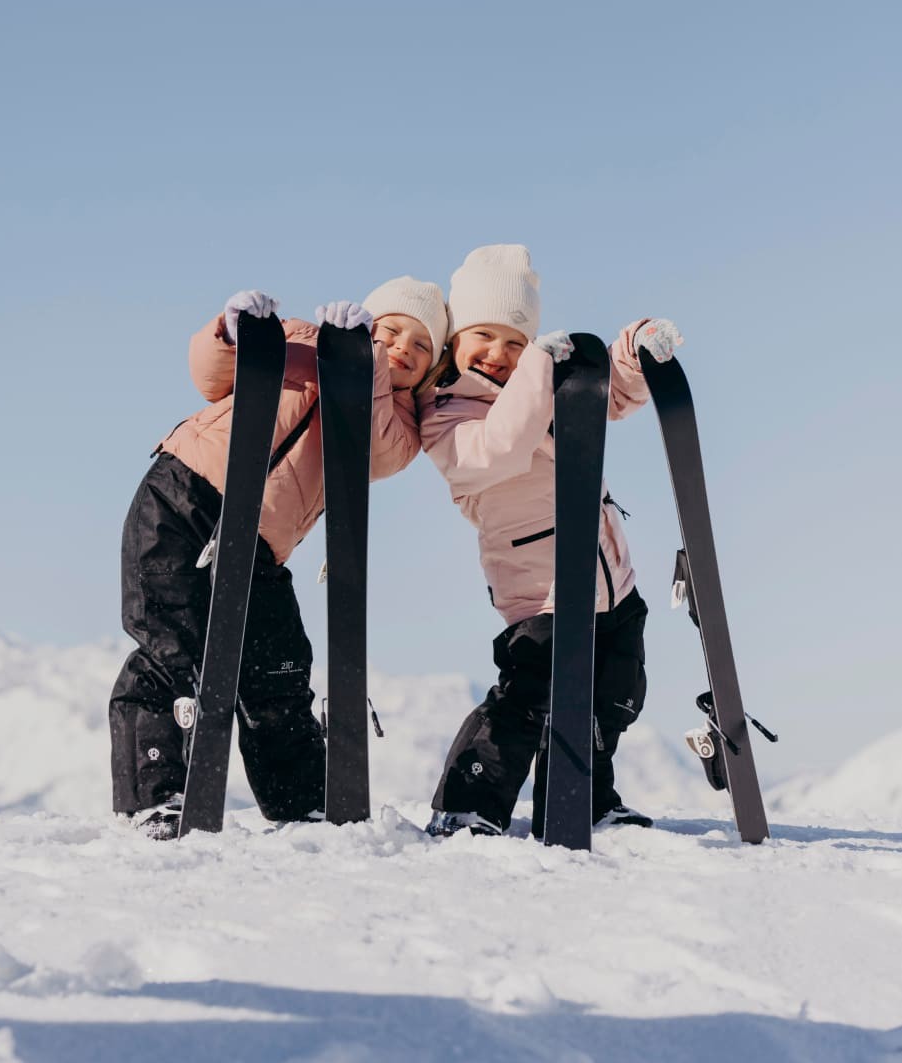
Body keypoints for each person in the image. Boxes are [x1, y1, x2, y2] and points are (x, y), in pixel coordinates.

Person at [109, 277, 448, 838]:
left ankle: (301, 803)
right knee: (172, 648)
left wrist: (367, 365)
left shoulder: (401, 420)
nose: (402, 350)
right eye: (390, 332)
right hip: (181, 497)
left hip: (260, 545)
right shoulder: (303, 339)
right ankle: (157, 794)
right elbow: (211, 374)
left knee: (279, 669)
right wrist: (231, 330)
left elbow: (381, 453)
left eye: (420, 347)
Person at [417, 244, 683, 837]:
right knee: (527, 699)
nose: (499, 353)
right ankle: (467, 802)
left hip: (611, 581)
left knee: (612, 696)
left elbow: (606, 395)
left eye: (515, 342)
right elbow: (503, 446)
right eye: (483, 336)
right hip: (540, 593)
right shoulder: (446, 416)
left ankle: (584, 795)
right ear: (454, 342)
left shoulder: (547, 384)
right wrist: (538, 367)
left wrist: (635, 355)